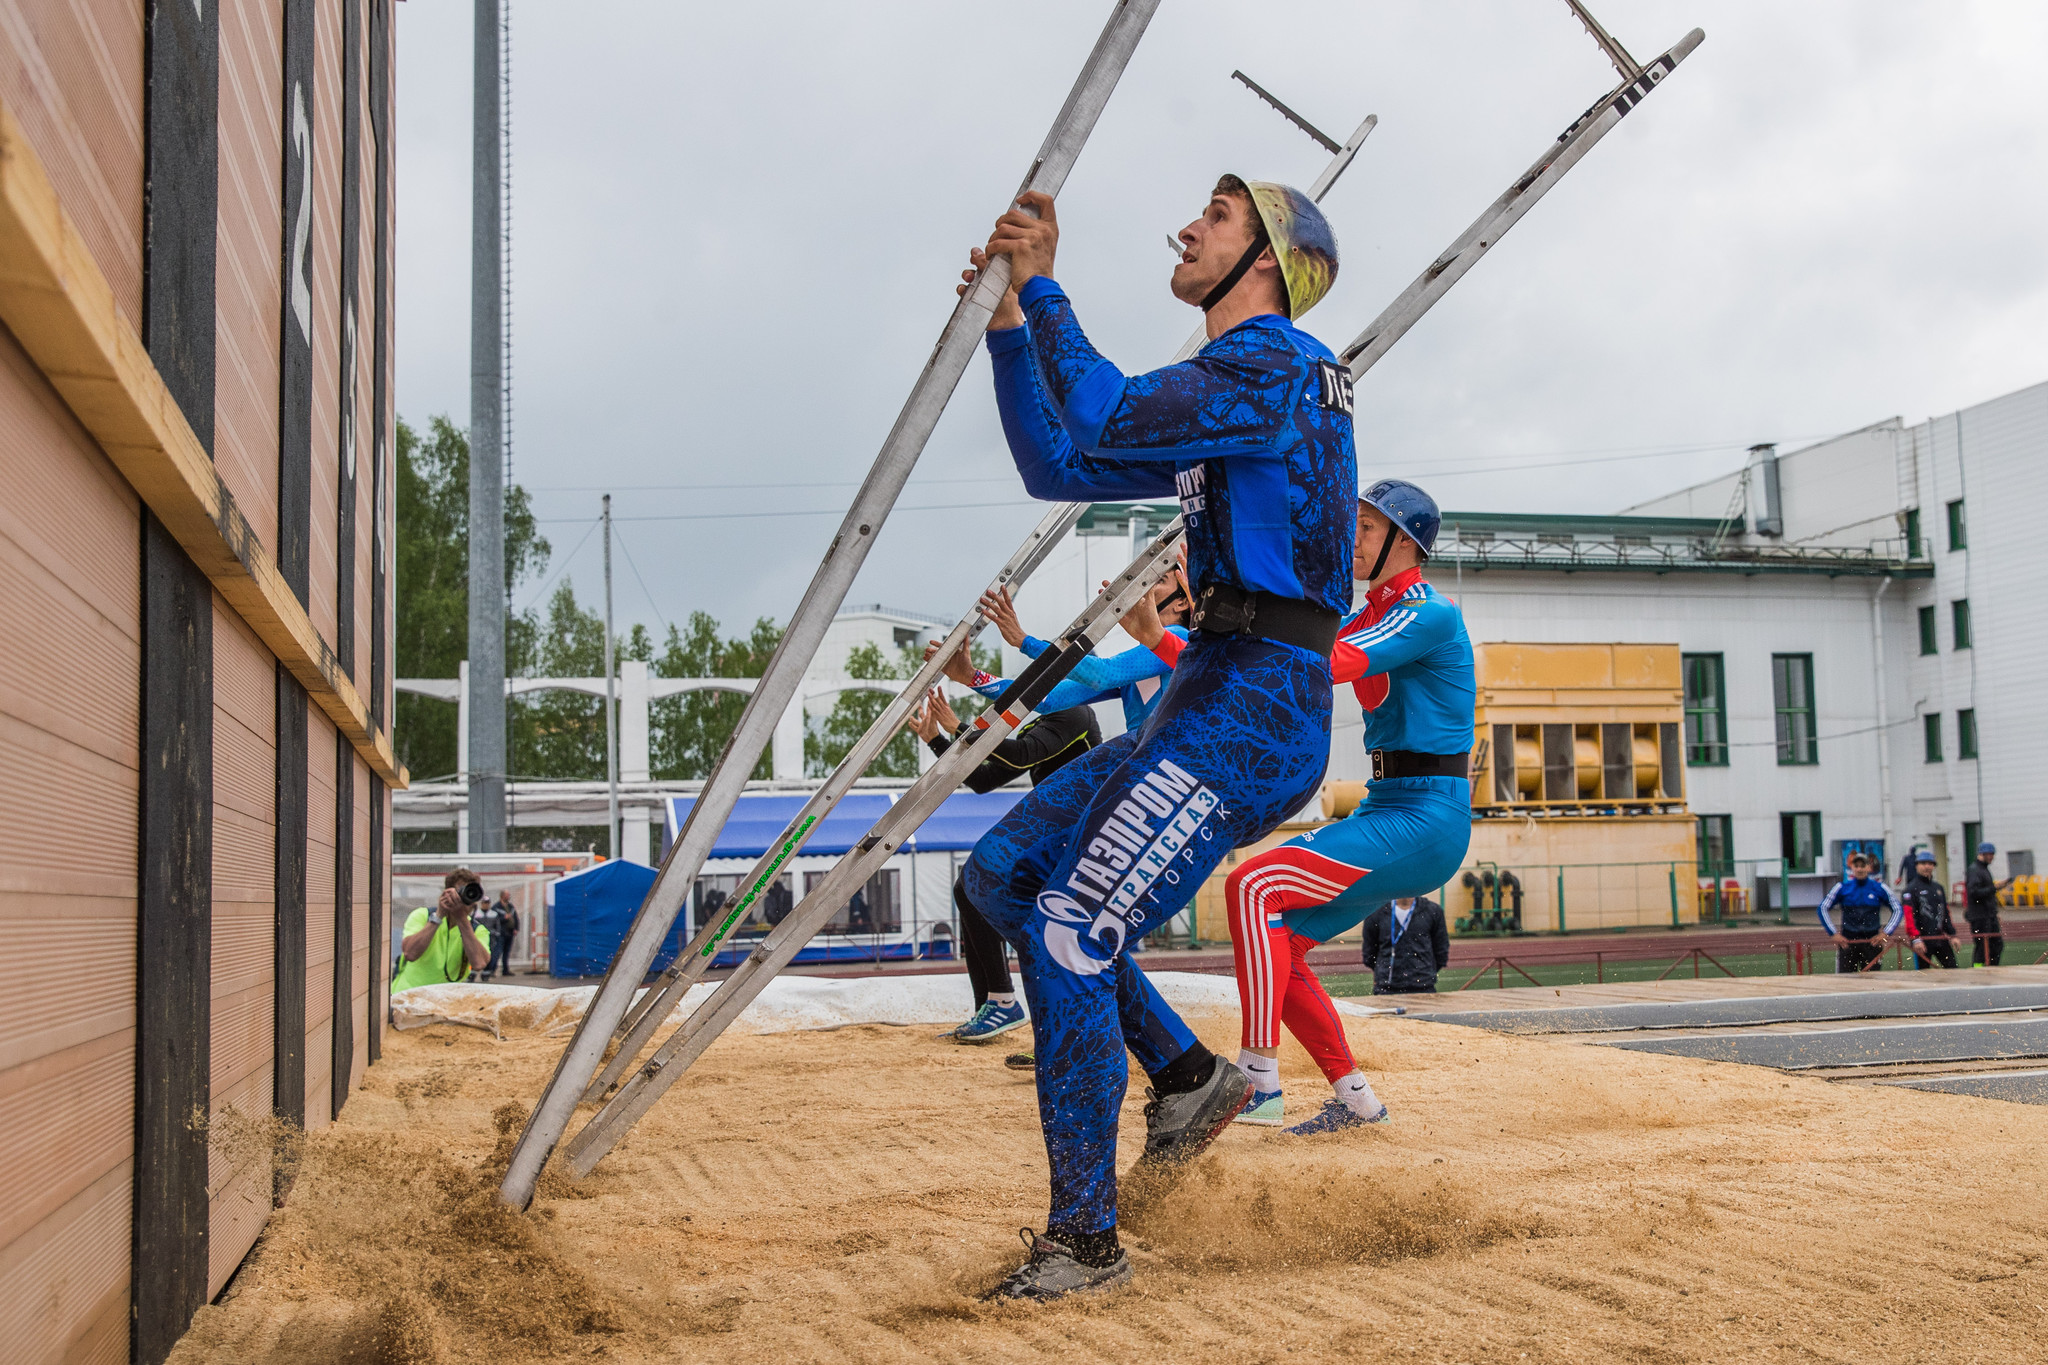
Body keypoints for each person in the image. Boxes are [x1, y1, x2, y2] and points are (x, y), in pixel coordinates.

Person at [959, 172, 1354, 1300]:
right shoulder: (1237, 387)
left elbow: (1102, 411)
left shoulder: (1275, 364)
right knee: (1000, 882)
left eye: (1217, 217)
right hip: (1212, 694)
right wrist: (1003, 330)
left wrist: (1040, 288)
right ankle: (1186, 1076)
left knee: (1072, 931)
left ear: (1267, 262)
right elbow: (1062, 465)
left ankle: (1084, 1244)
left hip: (1255, 711)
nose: (1187, 228)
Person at [1180, 482, 1471, 1134]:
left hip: (1427, 818)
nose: (1355, 536)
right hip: (1389, 808)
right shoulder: (1372, 613)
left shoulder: (1427, 612)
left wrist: (1251, 613)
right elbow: (1278, 666)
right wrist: (1176, 634)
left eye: (1369, 527)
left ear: (1406, 542)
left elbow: (1328, 657)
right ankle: (1358, 1101)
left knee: (1252, 887)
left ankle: (1258, 1080)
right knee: (1278, 947)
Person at [911, 690, 1102, 1045]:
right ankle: (993, 1005)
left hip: (1084, 836)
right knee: (968, 887)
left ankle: (1038, 1019)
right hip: (1058, 833)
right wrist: (937, 739)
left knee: (1052, 928)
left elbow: (1019, 756)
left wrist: (960, 728)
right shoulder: (1043, 722)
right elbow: (983, 781)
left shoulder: (1074, 713)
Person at [958, 571, 1192, 735]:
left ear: (1181, 602)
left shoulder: (1181, 637)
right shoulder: (1140, 660)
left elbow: (1101, 674)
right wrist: (972, 677)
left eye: (1159, 579)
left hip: (1169, 758)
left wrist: (1024, 642)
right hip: (1148, 759)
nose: (1147, 583)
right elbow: (1049, 699)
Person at [391, 868, 494, 992]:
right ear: (447, 893)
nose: (465, 898)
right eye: (461, 892)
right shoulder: (423, 916)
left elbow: (479, 963)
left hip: (445, 1000)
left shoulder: (477, 930)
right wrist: (438, 916)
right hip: (409, 995)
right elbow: (410, 954)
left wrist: (462, 919)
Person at [1817, 853, 1904, 972]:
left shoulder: (1880, 887)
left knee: (1873, 981)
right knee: (1845, 981)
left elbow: (1898, 909)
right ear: (1851, 868)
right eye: (1856, 866)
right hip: (1848, 942)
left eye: (1862, 866)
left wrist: (1885, 933)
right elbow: (1822, 908)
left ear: (1869, 867)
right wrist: (1833, 933)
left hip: (1872, 941)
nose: (1859, 869)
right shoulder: (1842, 887)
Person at [1360, 896, 1451, 997]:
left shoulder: (1433, 910)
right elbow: (1369, 952)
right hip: (1387, 989)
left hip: (1423, 987)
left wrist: (1424, 971)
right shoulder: (1376, 912)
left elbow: (1441, 948)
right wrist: (1383, 971)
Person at [1901, 850, 1959, 969]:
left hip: (1939, 937)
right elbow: (1909, 917)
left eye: (1930, 863)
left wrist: (1952, 935)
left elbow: (1945, 913)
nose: (1926, 866)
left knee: (1953, 969)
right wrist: (1916, 939)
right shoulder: (1910, 889)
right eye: (1923, 863)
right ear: (1917, 865)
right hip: (1922, 939)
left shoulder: (1938, 888)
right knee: (1923, 974)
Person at [1964, 841, 2011, 967]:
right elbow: (1974, 893)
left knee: (1996, 945)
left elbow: (1987, 893)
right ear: (1982, 854)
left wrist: (1994, 912)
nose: (1992, 857)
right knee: (1982, 947)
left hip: (1988, 915)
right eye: (1989, 854)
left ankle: (1992, 968)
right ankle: (1978, 970)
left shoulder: (1983, 869)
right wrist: (1995, 887)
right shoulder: (1975, 870)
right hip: (1980, 916)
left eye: (1992, 854)